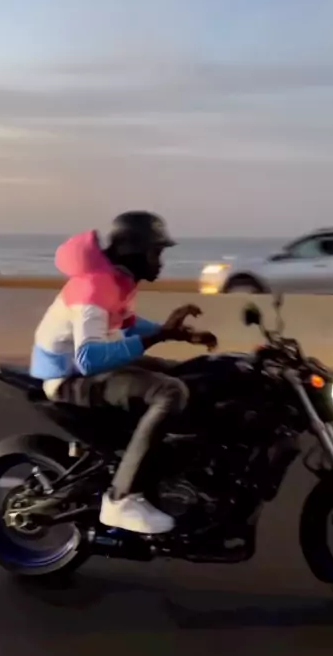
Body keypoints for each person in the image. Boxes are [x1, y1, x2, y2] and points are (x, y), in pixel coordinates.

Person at [30, 212, 217, 534]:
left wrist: (173, 333)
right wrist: (157, 337)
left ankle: (176, 464)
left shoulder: (116, 281)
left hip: (94, 369)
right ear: (134, 250)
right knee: (169, 391)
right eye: (155, 252)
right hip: (70, 379)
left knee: (190, 373)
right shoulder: (94, 287)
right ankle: (121, 499)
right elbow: (88, 359)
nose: (160, 262)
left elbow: (125, 323)